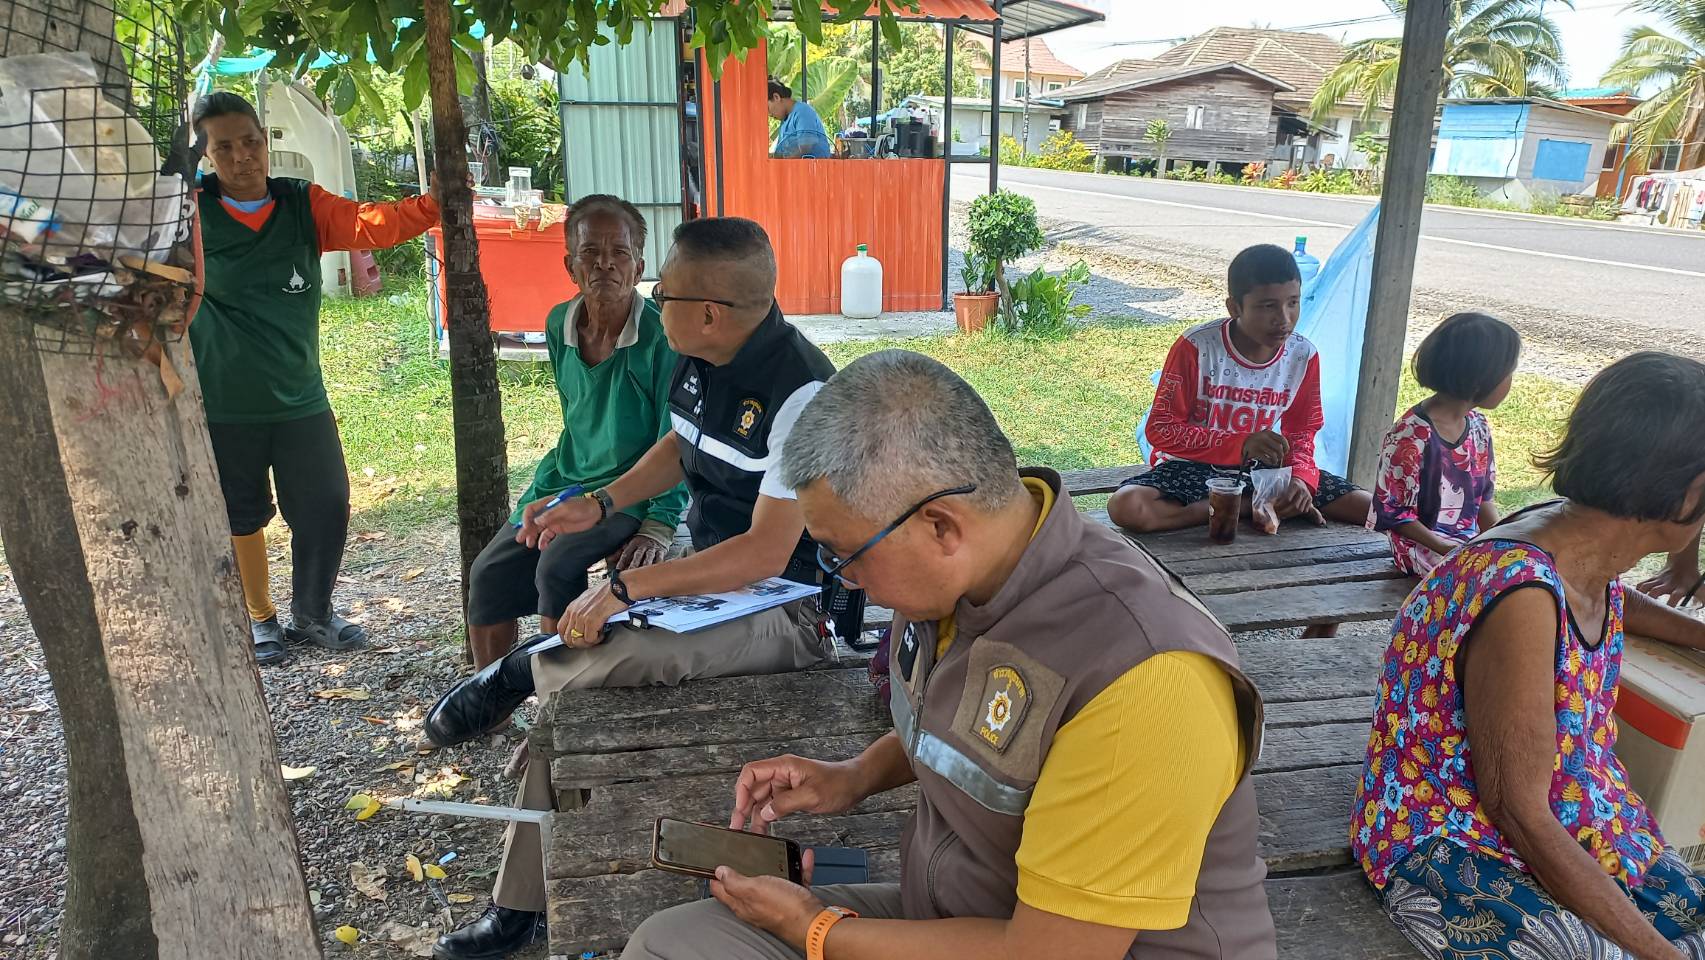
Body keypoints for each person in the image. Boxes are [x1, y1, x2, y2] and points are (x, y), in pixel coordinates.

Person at [621, 350, 1278, 960]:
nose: (846, 580)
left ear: (940, 526)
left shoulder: (1146, 680)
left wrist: (816, 930)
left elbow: (1047, 953)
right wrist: (853, 775)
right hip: (960, 912)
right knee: (670, 945)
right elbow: (972, 731)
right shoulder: (951, 581)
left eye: (844, 554)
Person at [423, 217, 837, 960]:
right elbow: (681, 443)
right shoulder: (701, 353)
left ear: (708, 312)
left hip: (791, 604)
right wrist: (603, 501)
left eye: (662, 290)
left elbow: (764, 552)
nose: (652, 299)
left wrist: (627, 586)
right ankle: (519, 907)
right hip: (719, 574)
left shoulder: (802, 394)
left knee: (629, 645)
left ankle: (521, 669)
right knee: (588, 677)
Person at [1350, 352, 1705, 959]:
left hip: (1571, 809)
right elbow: (1517, 811)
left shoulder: (1569, 540)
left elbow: (1608, 595)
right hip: (1454, 835)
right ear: (1684, 497)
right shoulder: (1521, 595)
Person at [190, 91, 443, 665]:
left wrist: (434, 205)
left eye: (250, 142)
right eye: (224, 148)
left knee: (326, 503)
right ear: (205, 155)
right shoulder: (187, 211)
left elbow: (373, 225)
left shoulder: (301, 203)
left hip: (300, 396)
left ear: (265, 141)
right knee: (240, 513)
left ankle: (312, 614)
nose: (242, 157)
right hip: (224, 401)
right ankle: (259, 619)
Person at [463, 195, 685, 669]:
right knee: (488, 573)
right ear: (570, 266)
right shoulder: (557, 323)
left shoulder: (662, 338)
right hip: (567, 481)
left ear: (639, 267)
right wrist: (548, 493)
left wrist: (659, 524)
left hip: (630, 492)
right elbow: (576, 420)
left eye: (619, 252)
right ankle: (487, 695)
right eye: (590, 253)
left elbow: (677, 441)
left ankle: (560, 691)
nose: (605, 264)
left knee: (557, 564)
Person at [1107, 243, 1373, 535]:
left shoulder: (1302, 356)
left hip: (1263, 471)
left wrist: (1300, 479)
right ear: (1234, 307)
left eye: (1293, 303)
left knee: (1371, 508)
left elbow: (1302, 431)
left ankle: (1257, 502)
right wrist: (1241, 444)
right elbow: (1161, 429)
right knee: (1127, 506)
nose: (1284, 319)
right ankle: (1245, 505)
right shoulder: (1197, 347)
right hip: (1191, 467)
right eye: (1268, 306)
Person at [1368, 312, 1520, 575]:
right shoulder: (1411, 436)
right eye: (1509, 372)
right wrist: (1445, 547)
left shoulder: (1478, 427)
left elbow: (1484, 500)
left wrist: (1500, 541)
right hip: (1421, 551)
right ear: (1480, 379)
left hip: (1462, 548)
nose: (1510, 381)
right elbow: (1394, 513)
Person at [768, 78, 832, 160]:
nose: (769, 114)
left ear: (776, 97)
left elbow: (805, 149)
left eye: (768, 108)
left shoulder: (802, 112)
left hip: (813, 166)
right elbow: (780, 154)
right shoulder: (784, 122)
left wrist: (783, 162)